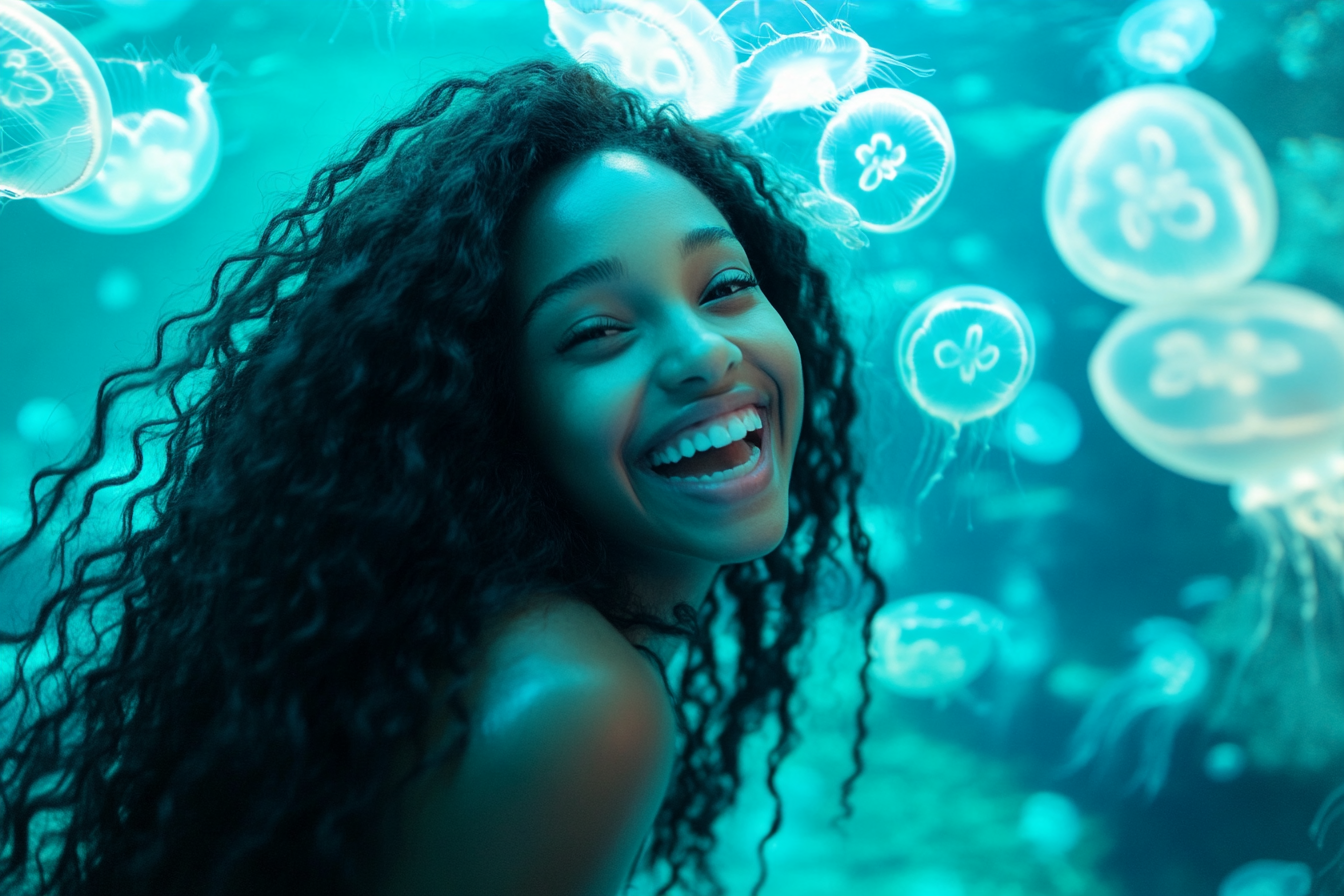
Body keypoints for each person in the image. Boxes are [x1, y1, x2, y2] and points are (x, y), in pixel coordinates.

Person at [0, 60, 884, 895]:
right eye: (596, 333)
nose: (703, 351)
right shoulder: (581, 699)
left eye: (725, 284)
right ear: (490, 407)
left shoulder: (466, 650)